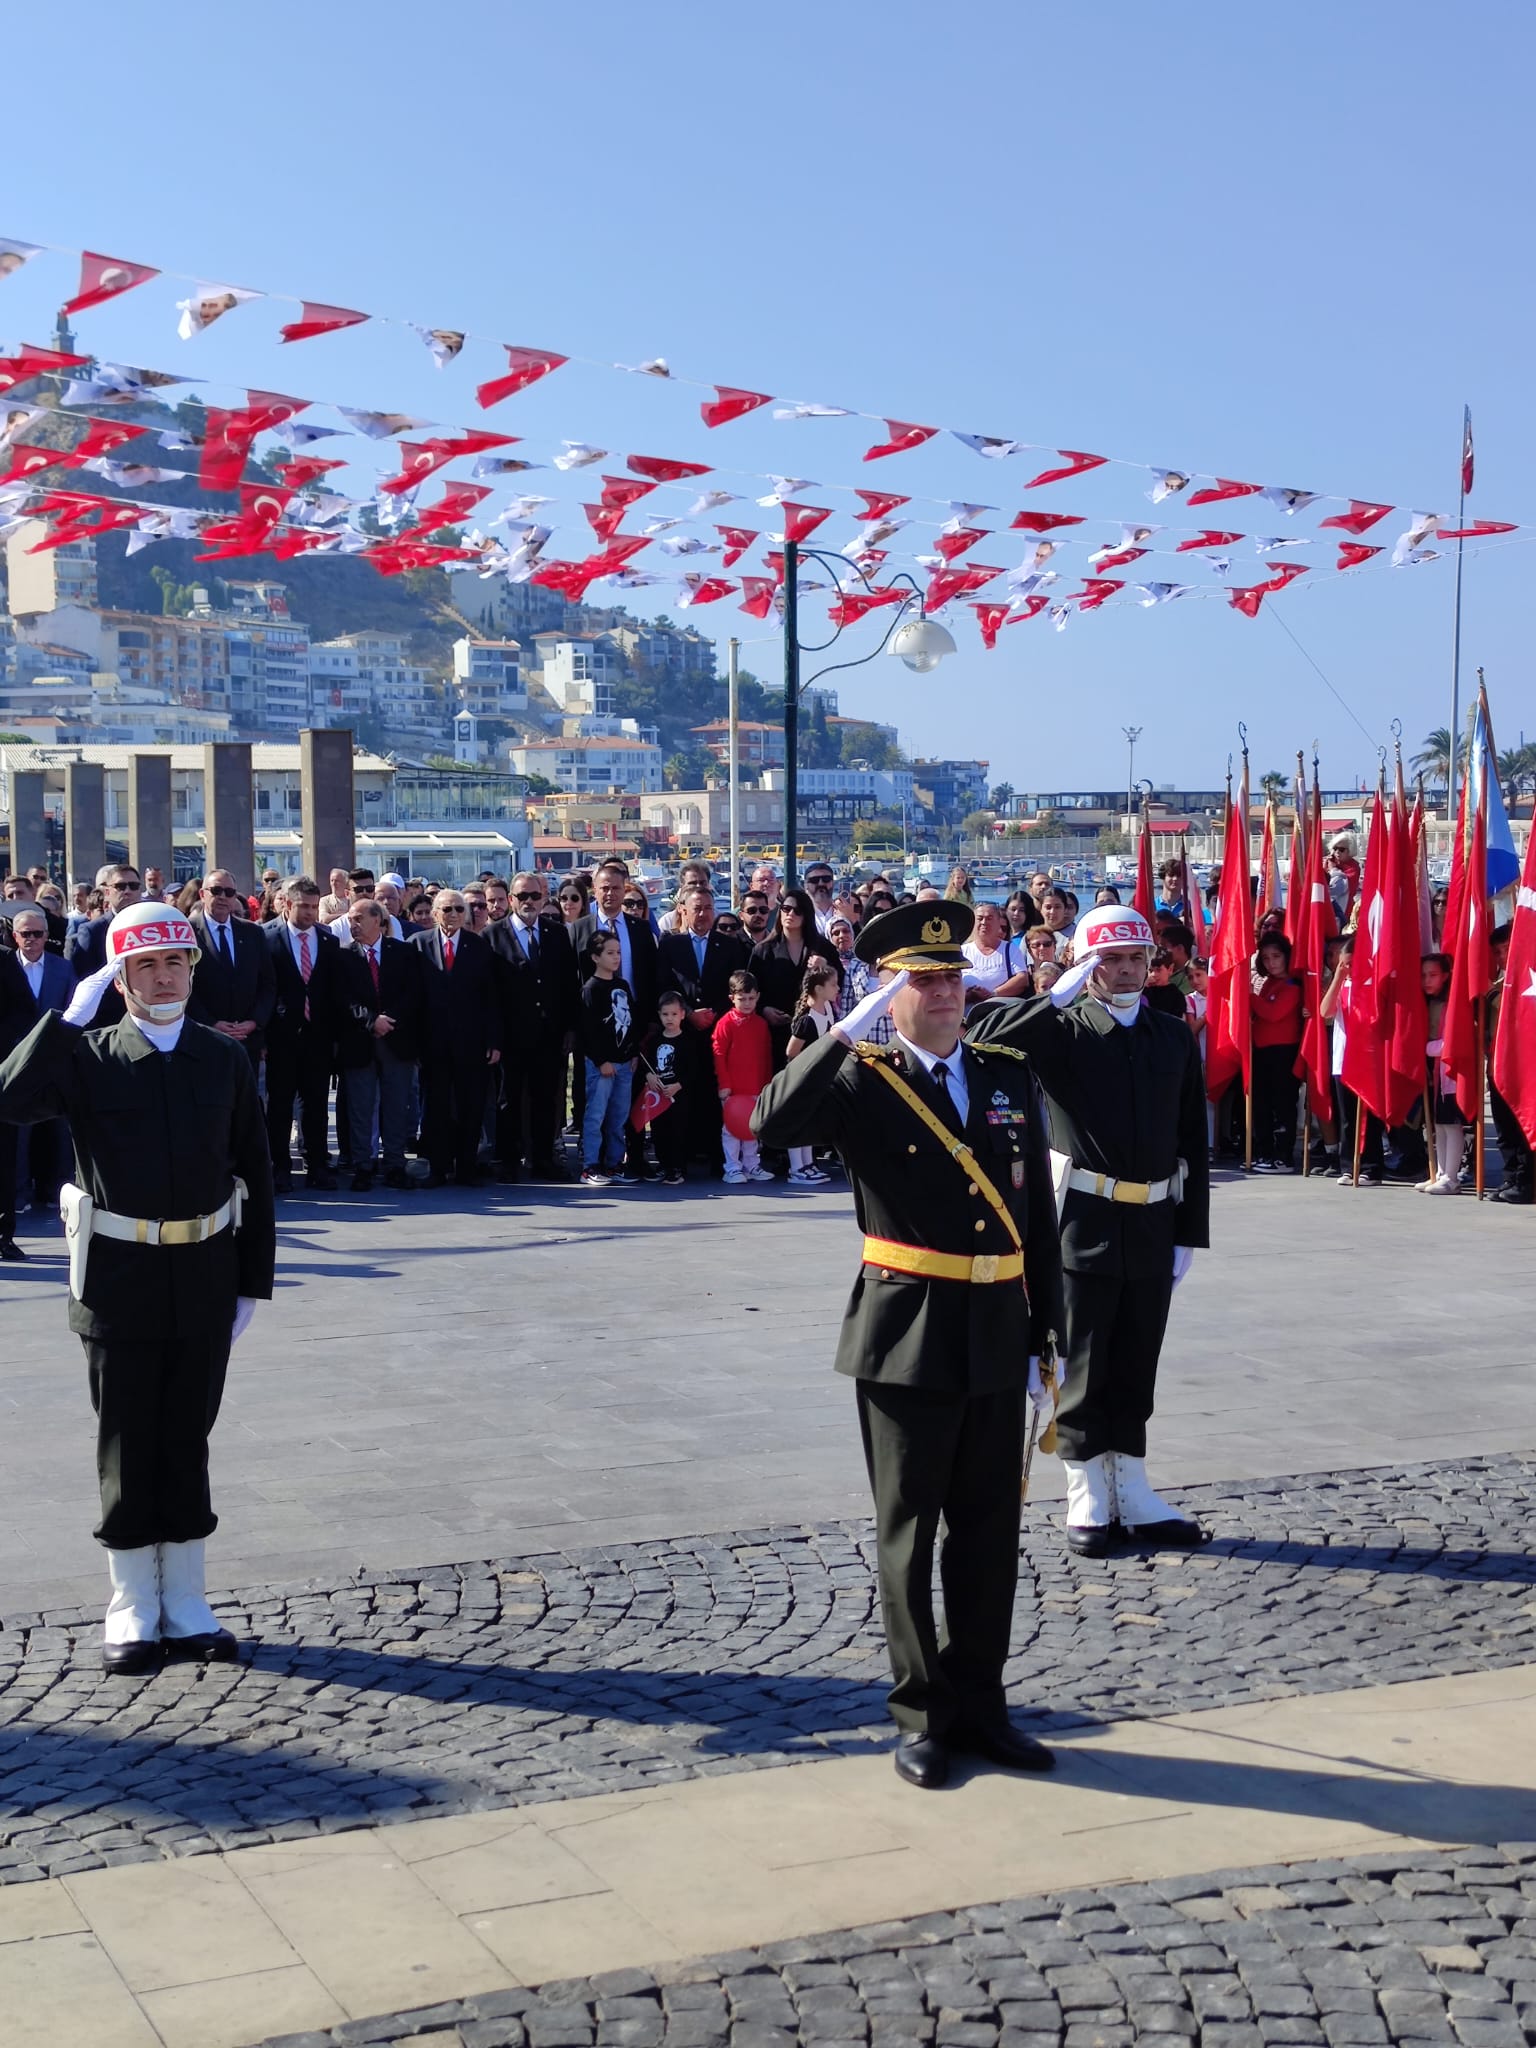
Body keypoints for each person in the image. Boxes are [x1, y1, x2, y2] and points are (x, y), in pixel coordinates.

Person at [754, 900, 1063, 1788]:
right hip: (907, 1333)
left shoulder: (1005, 1074)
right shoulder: (863, 1079)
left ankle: (984, 1705)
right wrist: (842, 1033)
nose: (944, 995)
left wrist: (1051, 1336)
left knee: (989, 1532)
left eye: (952, 978)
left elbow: (1034, 1218)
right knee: (909, 1533)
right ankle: (922, 1714)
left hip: (998, 1327)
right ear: (888, 993)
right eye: (922, 981)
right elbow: (771, 1123)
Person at [0, 901, 275, 1674]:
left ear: (192, 968)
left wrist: (253, 1281)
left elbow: (254, 1169)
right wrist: (62, 1019)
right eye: (145, 965)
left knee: (187, 1435)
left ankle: (186, 1600)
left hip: (203, 1273)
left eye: (175, 962)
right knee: (126, 1439)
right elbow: (9, 1102)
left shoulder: (222, 1059)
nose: (163, 977)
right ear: (119, 978)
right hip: (117, 1279)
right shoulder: (86, 1057)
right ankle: (130, 1602)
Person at [969, 901, 1211, 1557]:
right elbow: (983, 1032)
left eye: (1137, 958)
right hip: (1084, 1221)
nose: (1128, 971)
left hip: (1155, 1220)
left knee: (1136, 1359)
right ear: (1086, 964)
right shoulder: (1063, 1031)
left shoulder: (1172, 1036)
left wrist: (1190, 1230)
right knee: (1082, 1362)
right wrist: (1059, 993)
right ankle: (1086, 1492)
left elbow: (1192, 1137)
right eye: (1111, 960)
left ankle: (1130, 1487)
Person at [486, 871, 581, 1182]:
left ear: (543, 898)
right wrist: (494, 1036)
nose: (528, 902)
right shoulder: (492, 936)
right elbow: (489, 993)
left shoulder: (557, 933)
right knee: (509, 1099)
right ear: (511, 899)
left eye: (534, 896)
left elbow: (568, 985)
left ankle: (542, 1159)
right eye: (522, 896)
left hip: (549, 1034)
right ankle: (508, 1159)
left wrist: (569, 1028)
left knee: (546, 1098)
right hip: (511, 1036)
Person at [410, 890, 501, 1188]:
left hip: (471, 1043)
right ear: (435, 912)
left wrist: (493, 1040)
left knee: (470, 1106)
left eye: (459, 909)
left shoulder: (479, 946)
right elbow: (412, 999)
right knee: (435, 1108)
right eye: (447, 909)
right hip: (431, 1043)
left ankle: (466, 1167)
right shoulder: (418, 945)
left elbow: (491, 998)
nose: (453, 915)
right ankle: (438, 1167)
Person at [335, 898, 425, 1193]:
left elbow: (413, 993)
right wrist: (371, 1021)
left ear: (379, 921)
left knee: (396, 1105)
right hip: (360, 1042)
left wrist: (390, 1019)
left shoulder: (402, 952)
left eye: (359, 918)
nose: (353, 924)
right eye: (351, 919)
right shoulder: (344, 957)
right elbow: (343, 999)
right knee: (361, 1107)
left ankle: (395, 1164)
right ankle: (363, 1165)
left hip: (396, 1041)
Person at [0, 908, 74, 1258]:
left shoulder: (56, 968)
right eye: (25, 934)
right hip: (9, 1067)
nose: (31, 940)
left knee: (46, 1138)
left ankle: (48, 1201)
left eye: (38, 934)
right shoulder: (5, 964)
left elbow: (66, 1012)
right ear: (14, 936)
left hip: (37, 1066)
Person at [263, 876, 343, 1194]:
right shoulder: (267, 939)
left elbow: (333, 992)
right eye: (303, 906)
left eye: (313, 906)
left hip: (318, 1037)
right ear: (287, 904)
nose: (309, 913)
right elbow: (265, 989)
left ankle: (317, 1165)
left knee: (316, 1105)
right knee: (280, 1106)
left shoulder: (328, 941)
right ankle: (280, 1167)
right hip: (282, 1037)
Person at [188, 870, 276, 1075]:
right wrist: (211, 1023)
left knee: (245, 1102)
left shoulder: (253, 932)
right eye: (216, 890)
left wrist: (254, 1022)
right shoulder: (187, 931)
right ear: (202, 894)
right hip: (204, 1037)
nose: (222, 897)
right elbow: (183, 986)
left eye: (229, 892)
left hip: (246, 1040)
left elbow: (268, 983)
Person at [578, 930, 640, 1187]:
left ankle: (614, 1163)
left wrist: (634, 1052)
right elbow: (588, 1031)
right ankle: (590, 1165)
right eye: (610, 953)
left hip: (625, 1063)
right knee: (596, 1115)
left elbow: (630, 1022)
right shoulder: (591, 989)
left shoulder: (622, 985)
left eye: (618, 952)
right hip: (601, 1065)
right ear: (595, 957)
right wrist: (601, 1060)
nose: (616, 958)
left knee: (619, 1116)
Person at [1321, 936, 1383, 1186]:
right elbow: (1325, 1011)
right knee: (1347, 1117)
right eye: (1344, 963)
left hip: (1366, 1058)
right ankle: (1349, 1165)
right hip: (1342, 1059)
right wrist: (1338, 978)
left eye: (1351, 964)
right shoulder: (1342, 985)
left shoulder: (1372, 984)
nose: (1348, 968)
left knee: (1369, 1117)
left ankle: (1371, 1166)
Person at [750, 888, 836, 1058]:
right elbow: (751, 987)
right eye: (786, 909)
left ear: (806, 915)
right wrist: (764, 1009)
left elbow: (839, 981)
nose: (791, 914)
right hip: (775, 1031)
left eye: (797, 911)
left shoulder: (822, 947)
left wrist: (825, 965)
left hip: (813, 1029)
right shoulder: (763, 950)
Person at [644, 991, 712, 1186]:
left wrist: (678, 1085)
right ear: (659, 1015)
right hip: (659, 1097)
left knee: (678, 1131)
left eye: (674, 1014)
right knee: (659, 1131)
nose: (670, 1019)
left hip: (679, 1097)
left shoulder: (687, 1041)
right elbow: (647, 1063)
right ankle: (664, 1164)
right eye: (665, 1014)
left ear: (683, 1014)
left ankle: (677, 1167)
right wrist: (649, 1076)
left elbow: (693, 1070)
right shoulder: (655, 1040)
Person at [712, 970, 775, 1183]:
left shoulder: (761, 1024)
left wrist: (767, 1084)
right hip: (733, 1089)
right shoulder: (725, 1023)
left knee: (752, 1129)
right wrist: (724, 1084)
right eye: (742, 999)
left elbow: (766, 1055)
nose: (747, 1003)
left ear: (757, 996)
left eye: (751, 998)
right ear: (732, 999)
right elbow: (718, 1054)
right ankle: (731, 1167)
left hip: (755, 1087)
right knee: (731, 1130)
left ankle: (752, 1165)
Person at [656, 885, 749, 1027]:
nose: (702, 914)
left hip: (721, 1024)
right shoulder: (670, 945)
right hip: (681, 1026)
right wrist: (688, 1013)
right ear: (685, 911)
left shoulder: (730, 945)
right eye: (697, 909)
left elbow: (736, 984)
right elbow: (664, 985)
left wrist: (714, 1012)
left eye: (708, 908)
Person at [1249, 935, 1304, 1172]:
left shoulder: (1292, 985)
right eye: (1265, 958)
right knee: (1261, 1104)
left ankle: (1283, 1157)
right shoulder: (1269, 982)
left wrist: (1248, 996)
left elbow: (1273, 1014)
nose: (1271, 962)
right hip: (1262, 1050)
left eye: (1276, 956)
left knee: (1283, 1104)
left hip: (1283, 1052)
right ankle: (1264, 1153)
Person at [784, 961, 840, 1184]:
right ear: (819, 989)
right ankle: (796, 1169)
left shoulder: (827, 1009)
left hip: (816, 1076)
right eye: (833, 985)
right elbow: (791, 1052)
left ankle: (808, 1164)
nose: (838, 989)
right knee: (797, 1122)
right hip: (800, 1077)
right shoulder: (807, 1020)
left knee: (808, 1121)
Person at [1419, 952, 1462, 1196]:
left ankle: (1451, 1176)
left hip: (1451, 1072)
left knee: (1451, 1124)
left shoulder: (1452, 1005)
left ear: (1446, 977)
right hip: (1435, 1071)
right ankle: (1440, 1172)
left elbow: (1453, 1042)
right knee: (1438, 1124)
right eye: (1424, 975)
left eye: (1433, 975)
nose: (1427, 980)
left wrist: (1422, 1048)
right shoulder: (1429, 1003)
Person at [962, 901, 1032, 996]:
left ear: (998, 922)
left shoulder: (1010, 949)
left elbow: (1022, 979)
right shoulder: (962, 951)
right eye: (980, 918)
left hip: (1000, 1007)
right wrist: (968, 995)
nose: (984, 922)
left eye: (989, 918)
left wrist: (992, 994)